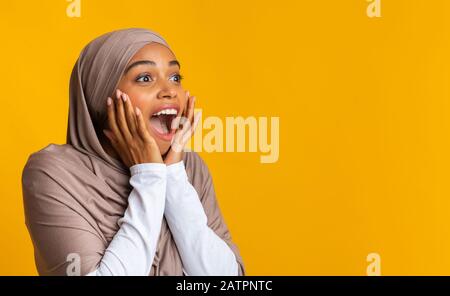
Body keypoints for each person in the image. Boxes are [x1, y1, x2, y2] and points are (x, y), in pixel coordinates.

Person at [21, 28, 245, 276]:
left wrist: (173, 178)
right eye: (145, 78)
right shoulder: (53, 173)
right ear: (100, 95)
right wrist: (149, 176)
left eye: (175, 77)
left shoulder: (190, 168)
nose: (169, 91)